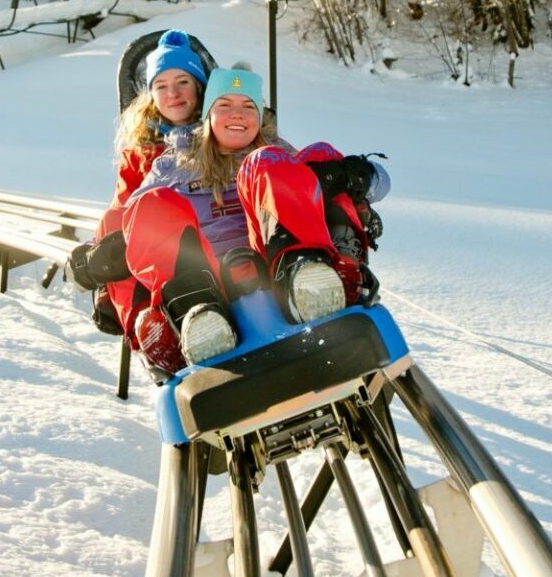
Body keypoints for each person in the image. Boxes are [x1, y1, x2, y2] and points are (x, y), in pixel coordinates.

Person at [108, 63, 389, 376]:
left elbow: (379, 184)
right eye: (224, 105)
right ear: (207, 115)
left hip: (273, 268)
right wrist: (102, 253)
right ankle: (196, 317)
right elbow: (132, 218)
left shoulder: (275, 153)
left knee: (280, 160)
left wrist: (354, 175)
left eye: (247, 106)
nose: (237, 114)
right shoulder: (172, 165)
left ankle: (310, 279)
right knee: (150, 203)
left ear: (260, 115)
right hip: (208, 278)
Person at [68, 29, 208, 342]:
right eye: (161, 86)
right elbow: (122, 207)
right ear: (151, 96)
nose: (173, 93)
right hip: (156, 253)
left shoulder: (220, 131)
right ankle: (148, 329)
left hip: (207, 238)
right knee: (114, 224)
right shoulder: (141, 151)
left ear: (199, 87)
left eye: (183, 82)